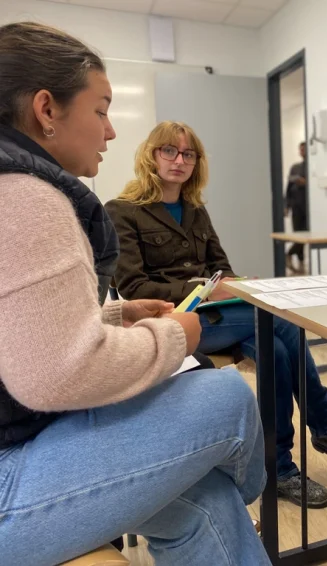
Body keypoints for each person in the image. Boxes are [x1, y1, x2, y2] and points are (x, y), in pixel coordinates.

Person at [0, 22, 270, 566]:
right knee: (230, 397)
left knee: (209, 499)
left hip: (22, 433)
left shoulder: (191, 209)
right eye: (101, 111)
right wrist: (172, 334)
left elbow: (22, 320)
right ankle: (268, 478)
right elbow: (54, 375)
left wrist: (116, 314)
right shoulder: (29, 198)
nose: (110, 132)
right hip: (14, 463)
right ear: (46, 110)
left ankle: (272, 460)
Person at [105, 122, 327, 508]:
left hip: (218, 312)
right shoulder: (123, 211)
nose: (179, 160)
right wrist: (210, 289)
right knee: (282, 320)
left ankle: (279, 470)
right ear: (151, 155)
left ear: (197, 163)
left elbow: (221, 267)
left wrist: (237, 284)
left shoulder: (195, 211)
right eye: (169, 151)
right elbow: (133, 287)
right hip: (171, 319)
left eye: (188, 154)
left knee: (277, 352)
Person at [285, 141, 309, 273]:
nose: (302, 152)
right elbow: (288, 188)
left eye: (304, 149)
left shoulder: (311, 166)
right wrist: (286, 205)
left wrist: (306, 182)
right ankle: (300, 265)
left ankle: (290, 254)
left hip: (309, 208)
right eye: (300, 150)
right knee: (299, 236)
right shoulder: (295, 167)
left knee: (305, 236)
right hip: (296, 207)